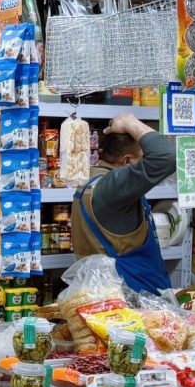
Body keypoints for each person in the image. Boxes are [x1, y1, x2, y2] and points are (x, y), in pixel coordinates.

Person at [70, 112, 177, 296]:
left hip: (110, 296)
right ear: (127, 161)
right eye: (142, 158)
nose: (144, 164)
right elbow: (166, 157)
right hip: (132, 302)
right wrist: (130, 121)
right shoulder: (113, 188)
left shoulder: (92, 181)